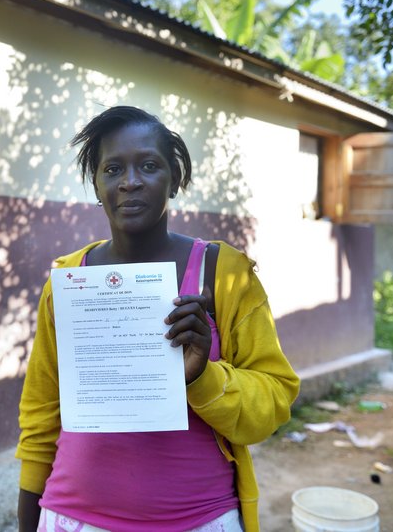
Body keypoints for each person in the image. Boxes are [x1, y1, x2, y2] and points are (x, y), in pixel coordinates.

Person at [16, 106, 300, 532]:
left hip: (199, 519)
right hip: (71, 517)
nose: (130, 182)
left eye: (149, 165)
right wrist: (27, 520)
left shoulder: (223, 275)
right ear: (97, 184)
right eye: (113, 169)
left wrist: (200, 375)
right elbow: (41, 415)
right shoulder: (69, 283)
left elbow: (275, 400)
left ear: (175, 177)